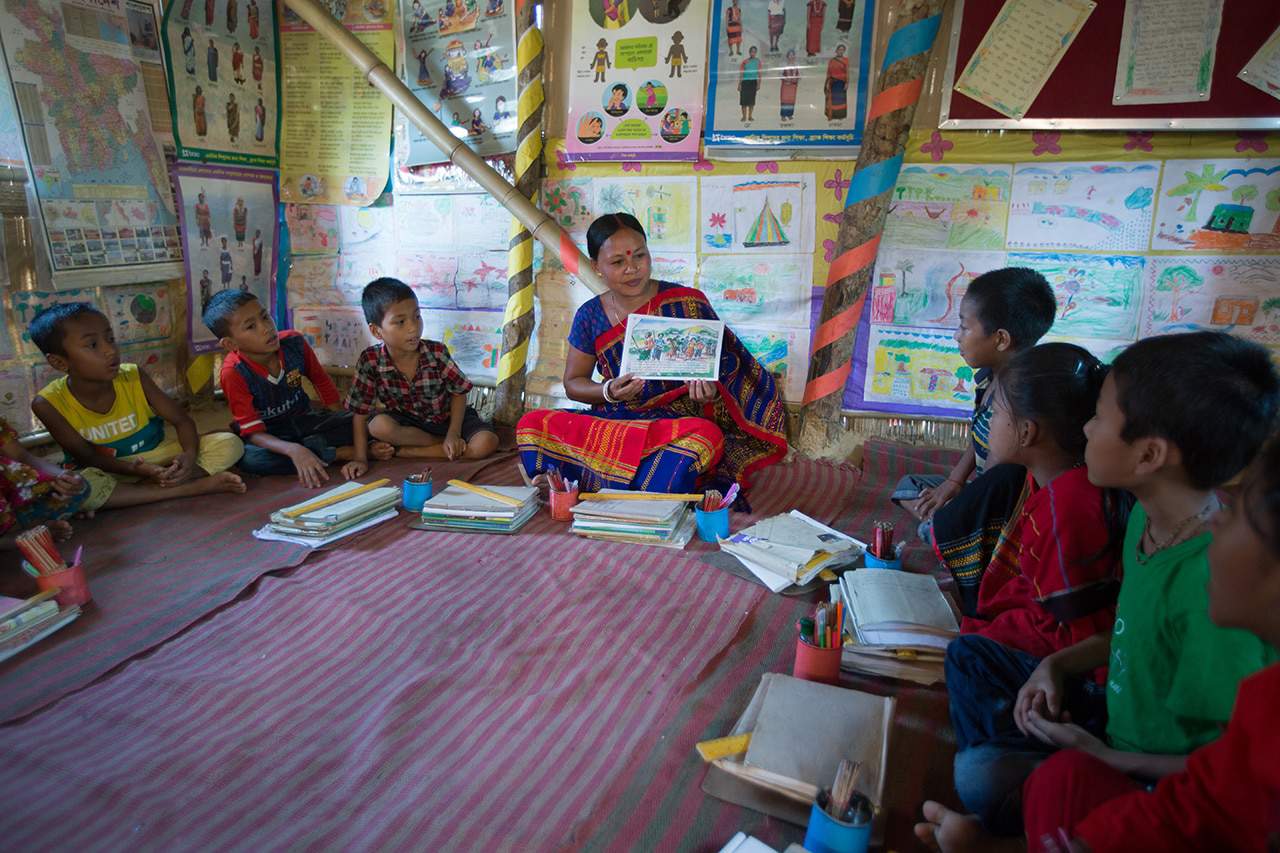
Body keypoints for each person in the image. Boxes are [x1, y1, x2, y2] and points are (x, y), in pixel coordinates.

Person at [915, 331, 1280, 844]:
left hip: (1150, 773)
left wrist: (1108, 757)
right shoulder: (1148, 522)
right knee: (979, 675)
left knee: (990, 778)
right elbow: (1134, 632)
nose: (1085, 426)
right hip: (1110, 724)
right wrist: (1056, 666)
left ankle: (1006, 821)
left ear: (1149, 454)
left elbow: (1231, 772)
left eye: (1101, 417)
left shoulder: (1216, 586)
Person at [1018, 437, 1280, 853]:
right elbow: (1195, 802)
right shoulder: (1264, 699)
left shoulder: (1202, 596)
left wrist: (1110, 760)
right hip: (1122, 749)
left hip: (1140, 759)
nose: (1214, 523)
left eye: (1237, 514)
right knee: (1059, 779)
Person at [942, 344, 1133, 834]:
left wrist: (995, 634)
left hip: (1085, 678)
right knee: (974, 638)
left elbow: (1076, 629)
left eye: (997, 411)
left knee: (967, 656)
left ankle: (1005, 759)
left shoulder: (1068, 502)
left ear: (1028, 432)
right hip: (1070, 657)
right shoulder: (1043, 482)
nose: (986, 418)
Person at [517, 214, 787, 504]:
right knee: (532, 423)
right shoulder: (589, 315)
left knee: (705, 437)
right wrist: (608, 391)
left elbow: (730, 379)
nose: (632, 269)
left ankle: (584, 480)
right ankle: (651, 486)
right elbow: (573, 384)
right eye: (618, 262)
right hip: (617, 423)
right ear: (596, 267)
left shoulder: (688, 303)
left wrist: (708, 394)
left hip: (673, 428)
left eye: (640, 257)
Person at [910, 268, 1057, 615]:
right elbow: (978, 438)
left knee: (944, 521)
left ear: (1001, 339)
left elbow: (996, 479)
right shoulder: (988, 378)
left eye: (964, 326)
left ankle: (944, 531)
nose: (956, 336)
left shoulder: (1020, 400)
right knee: (911, 485)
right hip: (980, 486)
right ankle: (940, 522)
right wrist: (953, 481)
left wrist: (961, 502)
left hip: (1001, 501)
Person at [29, 304, 245, 513]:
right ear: (59, 362)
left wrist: (189, 455)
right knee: (81, 487)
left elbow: (182, 420)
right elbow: (87, 457)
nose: (110, 350)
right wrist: (137, 469)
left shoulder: (132, 376)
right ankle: (189, 487)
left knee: (229, 443)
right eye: (93, 345)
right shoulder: (48, 404)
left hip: (160, 458)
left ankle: (144, 491)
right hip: (110, 470)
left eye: (110, 338)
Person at [203, 291, 393, 487]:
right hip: (272, 435)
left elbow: (321, 381)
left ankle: (320, 449)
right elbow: (254, 433)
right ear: (230, 343)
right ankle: (338, 453)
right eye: (251, 326)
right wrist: (294, 450)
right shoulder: (233, 372)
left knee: (369, 421)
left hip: (306, 420)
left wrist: (342, 420)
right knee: (251, 459)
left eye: (265, 316)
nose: (267, 328)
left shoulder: (294, 343)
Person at [345, 279, 498, 464]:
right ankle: (444, 446)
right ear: (377, 331)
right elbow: (360, 412)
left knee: (486, 443)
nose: (413, 327)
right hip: (410, 428)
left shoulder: (436, 353)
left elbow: (459, 393)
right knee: (378, 427)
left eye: (417, 316)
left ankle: (405, 453)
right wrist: (360, 459)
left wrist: (453, 433)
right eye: (400, 322)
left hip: (448, 420)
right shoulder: (370, 361)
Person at [0, 416, 89, 557]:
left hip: (9, 505)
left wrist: (63, 476)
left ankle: (28, 530)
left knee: (79, 487)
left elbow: (22, 456)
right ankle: (19, 537)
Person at [824, 43, 848, 119]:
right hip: (833, 83)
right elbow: (828, 72)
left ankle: (840, 115)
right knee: (833, 99)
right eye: (839, 49)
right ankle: (832, 115)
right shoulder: (832, 61)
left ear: (844, 51)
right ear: (836, 50)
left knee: (840, 100)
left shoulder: (846, 60)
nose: (841, 51)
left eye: (842, 50)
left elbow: (847, 72)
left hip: (841, 84)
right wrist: (827, 82)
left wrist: (847, 83)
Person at [738, 46, 761, 123]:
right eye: (752, 52)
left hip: (753, 83)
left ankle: (750, 116)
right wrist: (739, 84)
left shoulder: (758, 61)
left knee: (751, 101)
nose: (753, 53)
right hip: (745, 83)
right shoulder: (745, 62)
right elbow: (741, 73)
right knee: (743, 101)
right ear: (749, 52)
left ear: (756, 53)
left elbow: (759, 74)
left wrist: (759, 84)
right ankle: (744, 117)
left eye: (754, 52)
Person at [779, 49, 800, 122]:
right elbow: (780, 75)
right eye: (790, 55)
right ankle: (783, 115)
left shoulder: (797, 65)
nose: (791, 56)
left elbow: (800, 75)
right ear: (787, 56)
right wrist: (786, 79)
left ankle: (790, 114)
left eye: (792, 55)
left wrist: (796, 79)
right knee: (785, 100)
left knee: (791, 101)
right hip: (785, 85)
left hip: (793, 86)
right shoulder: (783, 64)